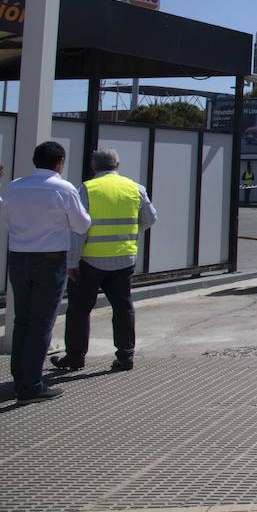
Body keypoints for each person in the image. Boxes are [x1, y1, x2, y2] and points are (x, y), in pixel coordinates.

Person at [1, 142, 91, 404]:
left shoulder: (15, 186)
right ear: (60, 162)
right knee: (42, 322)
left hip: (18, 258)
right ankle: (31, 385)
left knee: (23, 320)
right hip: (50, 260)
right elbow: (81, 224)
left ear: (34, 160)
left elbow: (4, 215)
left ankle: (19, 378)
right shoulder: (63, 188)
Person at [52, 148, 156, 374]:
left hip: (91, 260)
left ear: (93, 166)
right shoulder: (135, 188)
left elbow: (79, 230)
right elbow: (150, 218)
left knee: (79, 308)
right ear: (117, 165)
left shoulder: (87, 188)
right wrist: (129, 233)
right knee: (123, 307)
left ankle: (75, 357)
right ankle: (125, 356)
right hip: (124, 258)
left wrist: (72, 261)